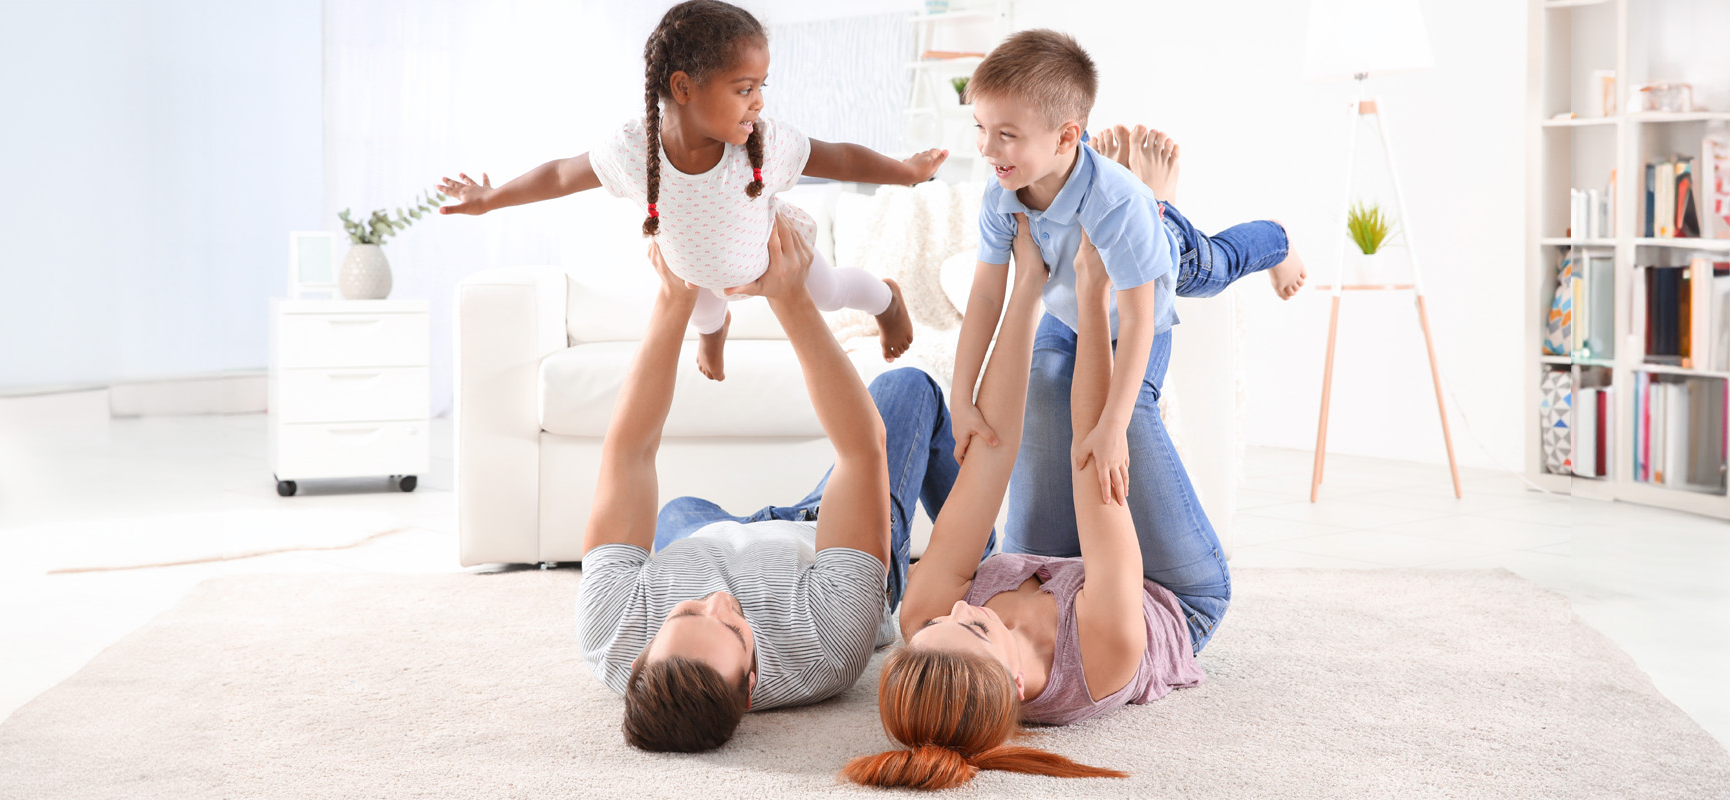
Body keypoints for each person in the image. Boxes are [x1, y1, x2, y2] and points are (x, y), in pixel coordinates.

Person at [945, 32, 1304, 638]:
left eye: (1005, 134)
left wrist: (1112, 426)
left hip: (1154, 277)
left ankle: (1275, 238)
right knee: (1047, 379)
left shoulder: (1116, 206)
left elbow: (1139, 321)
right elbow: (986, 296)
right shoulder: (1002, 189)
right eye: (980, 128)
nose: (986, 148)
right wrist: (962, 398)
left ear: (1066, 136)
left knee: (1210, 266)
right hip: (1070, 309)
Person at [843, 216, 1218, 790]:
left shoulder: (927, 625)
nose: (965, 609)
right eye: (975, 631)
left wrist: (1028, 287)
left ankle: (1111, 226)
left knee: (1047, 375)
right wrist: (1090, 295)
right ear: (1016, 685)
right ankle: (1155, 216)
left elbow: (991, 453)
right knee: (1128, 414)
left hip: (1042, 564)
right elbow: (1095, 453)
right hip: (1164, 596)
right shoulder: (1104, 654)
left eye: (944, 620)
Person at [574, 219, 964, 754]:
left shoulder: (609, 633)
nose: (716, 599)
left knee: (681, 510)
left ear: (638, 656)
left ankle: (717, 569)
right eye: (732, 627)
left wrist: (673, 298)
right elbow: (859, 448)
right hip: (817, 547)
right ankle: (975, 560)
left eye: (685, 612)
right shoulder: (827, 645)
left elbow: (629, 452)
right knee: (906, 387)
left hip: (712, 536)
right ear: (753, 684)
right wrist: (791, 296)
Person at [437, 0, 943, 380]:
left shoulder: (761, 144)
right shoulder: (633, 150)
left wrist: (905, 171)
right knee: (702, 307)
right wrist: (491, 197)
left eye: (763, 86)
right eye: (746, 89)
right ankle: (713, 335)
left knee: (831, 296)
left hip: (776, 261)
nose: (759, 103)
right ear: (683, 88)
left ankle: (885, 301)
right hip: (697, 274)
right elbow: (562, 175)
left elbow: (837, 156)